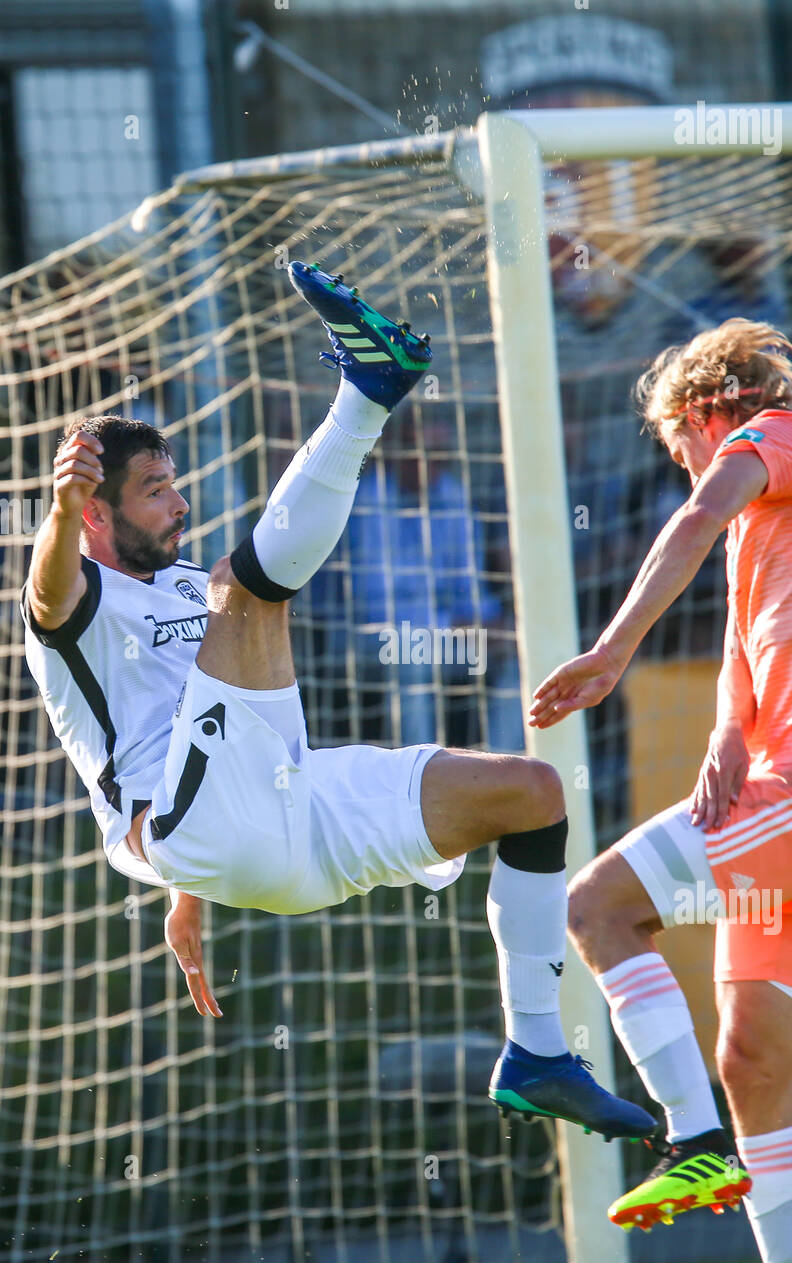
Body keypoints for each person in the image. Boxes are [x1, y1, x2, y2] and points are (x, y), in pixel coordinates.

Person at [21, 262, 653, 1143]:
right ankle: (368, 391)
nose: (180, 501)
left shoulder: (180, 586)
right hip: (205, 827)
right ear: (95, 511)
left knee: (532, 793)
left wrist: (189, 887)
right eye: (154, 489)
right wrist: (57, 510)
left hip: (281, 817)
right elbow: (50, 593)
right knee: (247, 588)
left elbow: (198, 726)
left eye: (174, 482)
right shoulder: (70, 590)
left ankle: (537, 1053)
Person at [530, 318, 792, 1263]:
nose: (684, 467)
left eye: (673, 443)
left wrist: (608, 651)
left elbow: (690, 524)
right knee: (749, 1054)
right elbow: (753, 624)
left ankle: (689, 1142)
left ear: (697, 411)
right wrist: (728, 729)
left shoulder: (765, 440)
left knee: (595, 907)